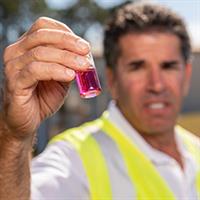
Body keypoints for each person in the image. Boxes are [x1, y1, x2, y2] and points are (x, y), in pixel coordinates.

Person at [0, 1, 199, 200]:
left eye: (168, 66)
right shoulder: (74, 159)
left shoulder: (195, 149)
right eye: (137, 67)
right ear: (111, 78)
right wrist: (15, 138)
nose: (156, 85)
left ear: (187, 74)